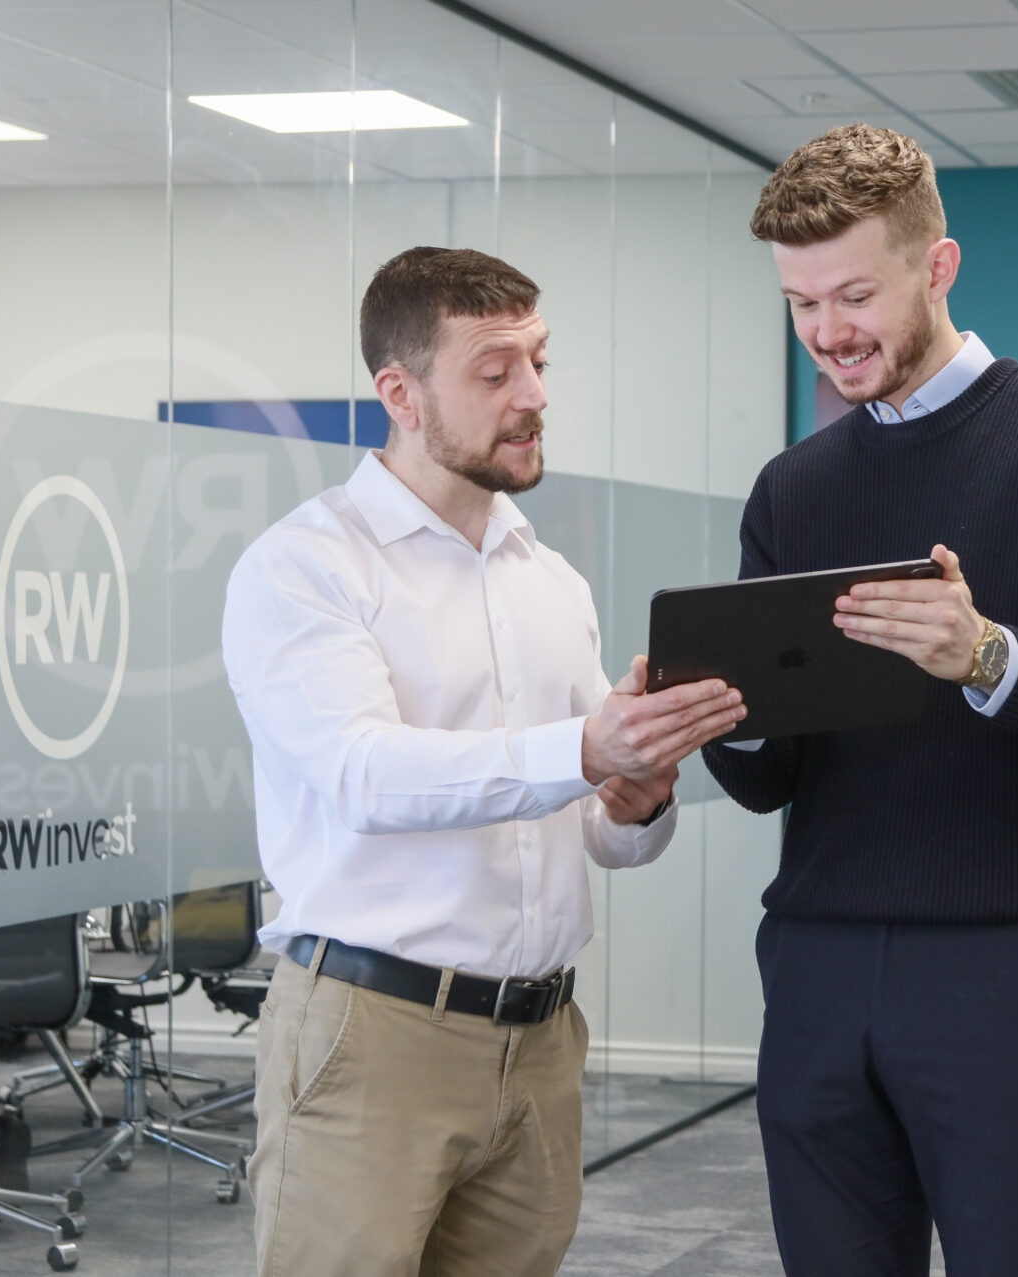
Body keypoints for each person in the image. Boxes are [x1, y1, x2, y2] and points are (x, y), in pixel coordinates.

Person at [703, 124, 1018, 1276]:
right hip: (815, 963)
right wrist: (724, 711)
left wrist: (984, 655)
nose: (828, 333)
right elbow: (772, 774)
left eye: (854, 293)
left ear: (939, 265)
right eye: (800, 303)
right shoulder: (793, 486)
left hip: (996, 970)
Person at [222, 246, 747, 1277]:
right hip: (372, 1031)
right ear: (400, 393)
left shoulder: (545, 575)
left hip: (542, 1037)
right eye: (495, 371)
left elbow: (592, 826)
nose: (534, 397)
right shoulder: (306, 564)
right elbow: (365, 775)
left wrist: (634, 799)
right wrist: (584, 746)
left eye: (539, 364)